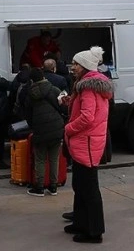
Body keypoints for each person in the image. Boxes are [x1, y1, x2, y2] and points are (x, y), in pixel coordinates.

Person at [62, 46, 111, 244]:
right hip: (86, 142)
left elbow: (87, 117)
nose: (72, 67)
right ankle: (81, 222)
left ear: (84, 66)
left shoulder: (88, 87)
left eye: (75, 64)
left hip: (87, 143)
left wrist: (68, 128)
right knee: (80, 185)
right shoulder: (89, 85)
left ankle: (94, 231)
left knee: (89, 188)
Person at [25, 68, 65, 197]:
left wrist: (33, 126)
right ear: (43, 76)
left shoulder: (30, 93)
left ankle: (39, 188)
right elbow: (62, 107)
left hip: (40, 129)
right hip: (56, 128)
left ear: (32, 80)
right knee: (54, 158)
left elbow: (27, 113)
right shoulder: (54, 90)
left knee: (40, 159)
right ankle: (53, 187)